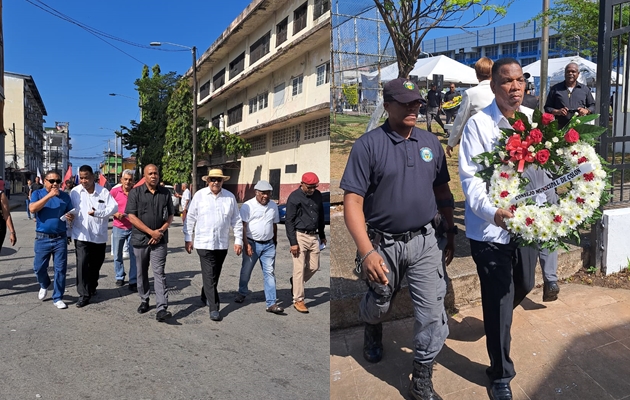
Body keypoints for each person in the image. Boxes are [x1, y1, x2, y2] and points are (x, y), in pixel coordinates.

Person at [341, 77, 456, 400]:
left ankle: (420, 378)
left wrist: (449, 232)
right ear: (387, 105)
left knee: (433, 313)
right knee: (379, 304)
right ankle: (372, 326)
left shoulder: (430, 143)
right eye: (405, 102)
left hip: (425, 241)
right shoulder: (368, 145)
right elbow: (353, 202)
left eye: (416, 102)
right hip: (383, 244)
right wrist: (366, 251)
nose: (413, 107)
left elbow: (442, 191)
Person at [458, 58, 544, 400]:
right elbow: (471, 180)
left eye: (520, 80)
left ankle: (500, 314)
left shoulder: (532, 122)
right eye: (507, 81)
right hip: (491, 231)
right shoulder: (478, 126)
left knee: (524, 282)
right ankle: (500, 374)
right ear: (493, 87)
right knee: (498, 301)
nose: (516, 87)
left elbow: (540, 174)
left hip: (526, 227)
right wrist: (494, 212)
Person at [184, 169, 243, 322]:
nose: (215, 182)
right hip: (203, 243)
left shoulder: (229, 198)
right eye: (213, 179)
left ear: (223, 181)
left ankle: (205, 293)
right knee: (209, 273)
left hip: (221, 243)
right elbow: (190, 218)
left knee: (214, 274)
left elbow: (236, 221)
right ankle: (214, 307)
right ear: (207, 181)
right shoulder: (199, 196)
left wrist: (238, 240)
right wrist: (188, 238)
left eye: (219, 179)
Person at [126, 164, 174, 322]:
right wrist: (150, 232)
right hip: (141, 239)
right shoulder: (135, 193)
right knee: (141, 272)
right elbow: (131, 217)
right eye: (150, 173)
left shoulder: (165, 193)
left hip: (159, 239)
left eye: (156, 173)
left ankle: (161, 307)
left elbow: (170, 216)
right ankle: (144, 299)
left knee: (159, 272)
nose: (154, 176)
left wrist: (159, 232)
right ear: (144, 176)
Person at [70, 165, 118, 308]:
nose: (84, 181)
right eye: (81, 178)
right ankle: (83, 294)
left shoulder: (103, 192)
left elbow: (113, 208)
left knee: (96, 264)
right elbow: (70, 210)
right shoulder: (75, 192)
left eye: (87, 177)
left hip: (98, 235)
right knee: (82, 264)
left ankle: (92, 286)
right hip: (81, 234)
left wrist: (98, 213)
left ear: (93, 177)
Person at [235, 180, 283, 314]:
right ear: (256, 192)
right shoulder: (247, 206)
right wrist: (246, 244)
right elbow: (242, 227)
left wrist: (275, 241)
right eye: (263, 193)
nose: (265, 196)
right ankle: (242, 292)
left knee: (269, 273)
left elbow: (274, 225)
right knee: (246, 271)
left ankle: (271, 303)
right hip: (252, 243)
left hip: (268, 245)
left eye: (268, 194)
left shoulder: (273, 206)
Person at [29, 171, 75, 309]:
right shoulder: (38, 194)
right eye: (52, 181)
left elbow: (71, 212)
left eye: (58, 181)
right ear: (45, 181)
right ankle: (44, 284)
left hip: (60, 238)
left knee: (60, 269)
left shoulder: (65, 196)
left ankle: (58, 297)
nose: (55, 184)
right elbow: (32, 209)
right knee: (38, 267)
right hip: (42, 237)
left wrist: (71, 217)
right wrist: (49, 195)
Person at [285, 172, 327, 314]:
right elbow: (289, 221)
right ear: (302, 184)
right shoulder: (294, 197)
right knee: (298, 268)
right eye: (309, 187)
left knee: (314, 266)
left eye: (314, 187)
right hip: (299, 235)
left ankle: (295, 282)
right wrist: (293, 242)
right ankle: (298, 299)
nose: (312, 189)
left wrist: (322, 235)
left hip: (313, 235)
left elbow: (320, 216)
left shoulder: (318, 195)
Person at [446, 57, 495, 157]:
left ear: (476, 74)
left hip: (478, 141)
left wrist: (451, 142)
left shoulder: (470, 93)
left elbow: (460, 120)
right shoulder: (500, 91)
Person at [544, 62, 595, 129]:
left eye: (573, 72)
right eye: (568, 72)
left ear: (578, 74)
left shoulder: (584, 89)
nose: (570, 74)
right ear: (564, 74)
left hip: (579, 128)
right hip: (559, 128)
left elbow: (593, 106)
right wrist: (558, 112)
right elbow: (547, 107)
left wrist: (587, 110)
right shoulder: (555, 89)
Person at [110, 169, 137, 290]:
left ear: (133, 181)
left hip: (133, 228)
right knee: (117, 254)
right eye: (125, 179)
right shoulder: (114, 192)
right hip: (118, 227)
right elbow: (107, 207)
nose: (127, 182)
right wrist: (115, 214)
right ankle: (119, 276)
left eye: (130, 180)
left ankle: (133, 280)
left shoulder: (136, 192)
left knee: (134, 255)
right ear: (121, 180)